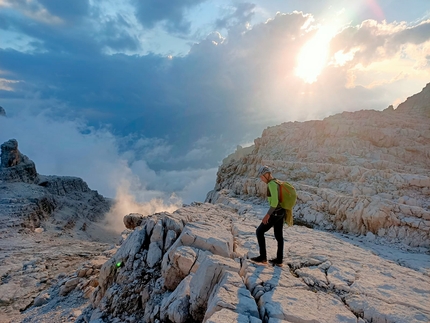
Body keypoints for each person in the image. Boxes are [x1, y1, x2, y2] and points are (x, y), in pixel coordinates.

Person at [250, 165, 285, 267]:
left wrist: (267, 215)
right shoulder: (276, 182)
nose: (261, 178)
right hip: (281, 211)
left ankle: (263, 257)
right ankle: (279, 260)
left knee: (259, 231)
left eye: (261, 176)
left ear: (266, 174)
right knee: (279, 236)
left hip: (275, 212)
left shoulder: (271, 184)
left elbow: (274, 202)